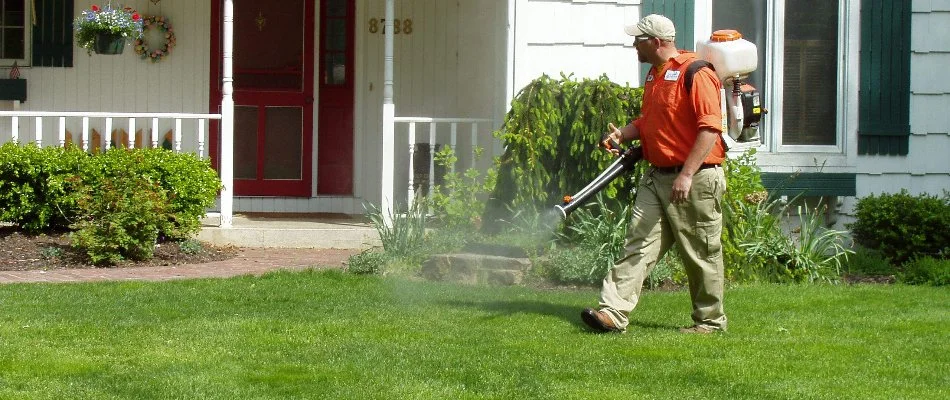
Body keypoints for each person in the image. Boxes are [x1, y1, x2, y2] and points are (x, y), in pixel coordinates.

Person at [580, 14, 728, 334]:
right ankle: (612, 312)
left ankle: (710, 322)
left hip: (695, 179)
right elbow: (650, 121)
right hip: (657, 176)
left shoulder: (696, 72)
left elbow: (710, 129)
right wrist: (622, 134)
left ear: (656, 42)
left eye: (638, 40)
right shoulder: (655, 75)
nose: (634, 45)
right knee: (638, 243)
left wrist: (686, 175)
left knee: (700, 253)